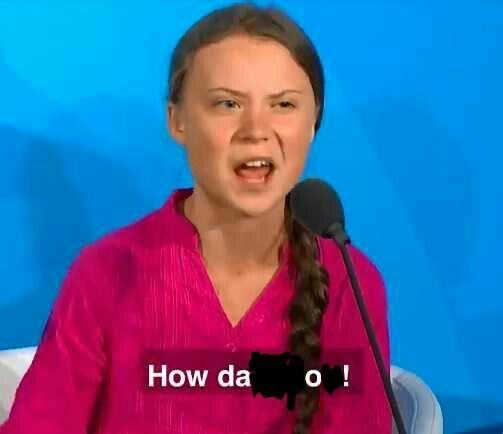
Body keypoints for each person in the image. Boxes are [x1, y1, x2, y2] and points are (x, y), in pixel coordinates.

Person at [0, 2, 392, 433]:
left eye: (283, 104)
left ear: (313, 122)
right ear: (177, 120)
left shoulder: (349, 283)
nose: (256, 129)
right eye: (228, 103)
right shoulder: (107, 272)